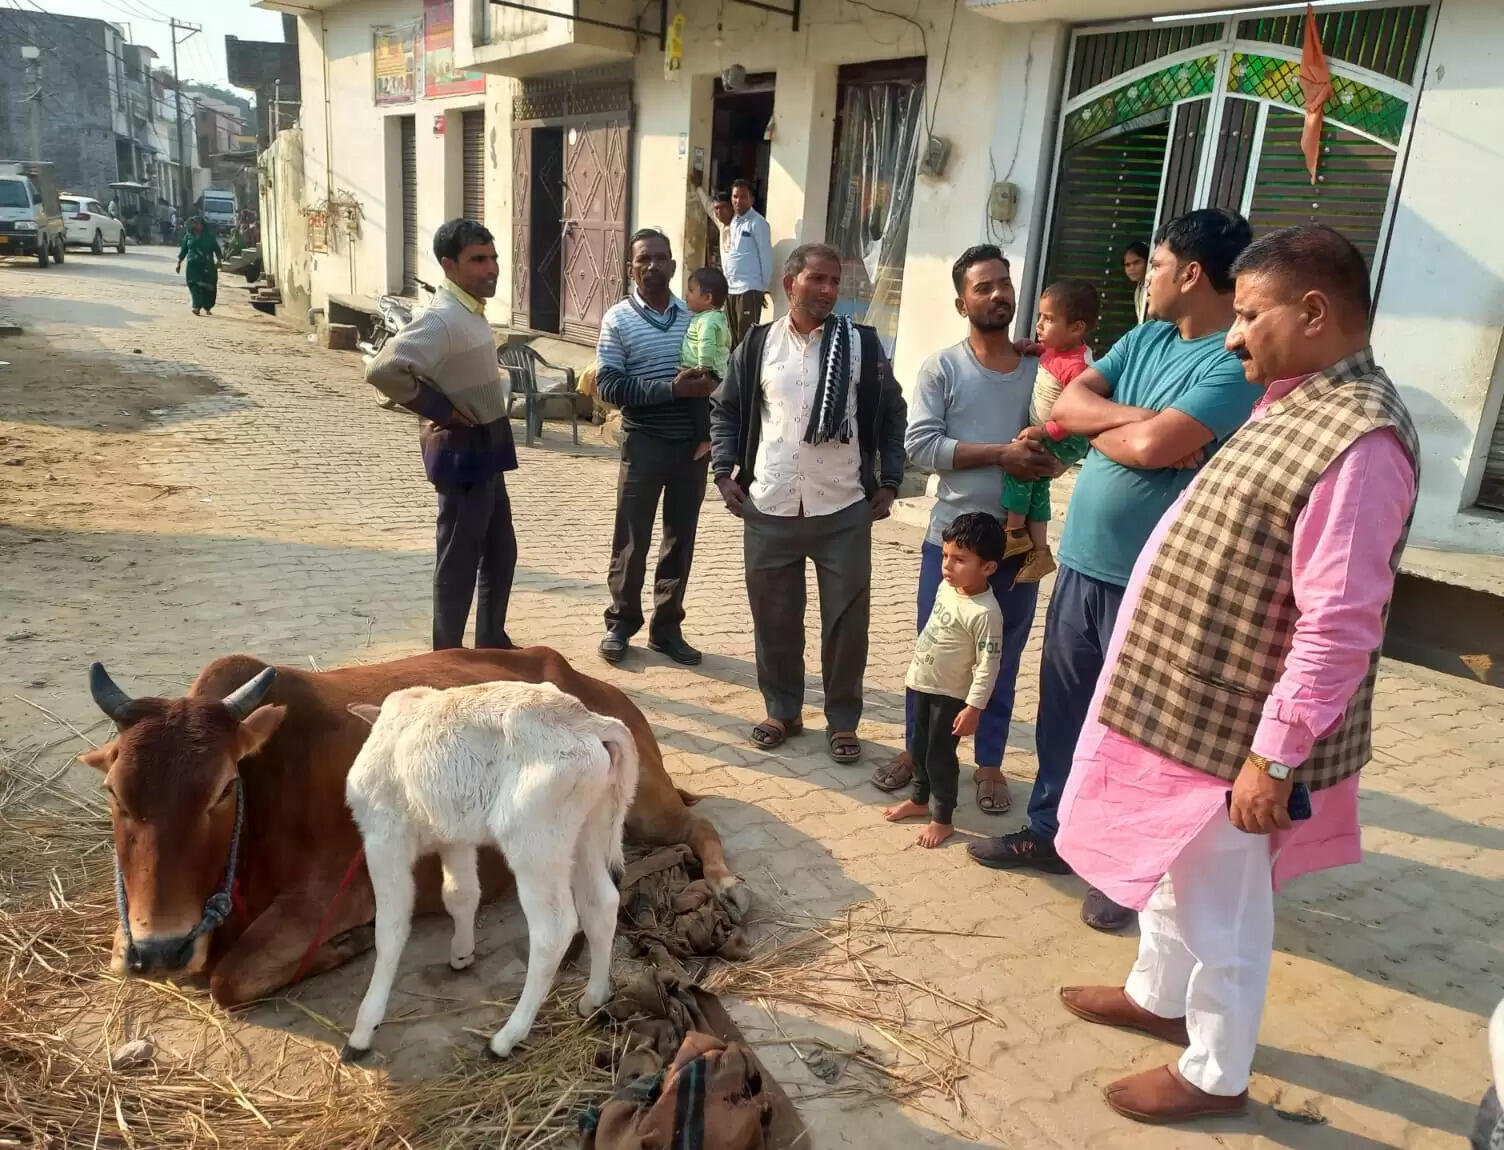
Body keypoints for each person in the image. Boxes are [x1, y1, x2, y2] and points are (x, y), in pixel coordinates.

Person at [1052, 225, 1419, 1124]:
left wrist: (1277, 756)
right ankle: (1158, 995)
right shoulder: (1294, 397)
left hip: (1239, 730)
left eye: (1249, 315)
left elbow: (1338, 624)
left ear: (1315, 311)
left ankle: (1216, 1071)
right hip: (1190, 702)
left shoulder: (1360, 441)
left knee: (1226, 903)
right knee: (1178, 871)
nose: (1232, 334)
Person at [967, 209, 1262, 934]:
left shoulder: (1233, 360)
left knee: (1137, 729)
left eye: (1156, 265)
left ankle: (1123, 870)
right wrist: (1138, 423)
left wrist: (1124, 429)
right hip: (1083, 566)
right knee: (1065, 711)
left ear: (1191, 273)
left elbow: (1161, 446)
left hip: (1158, 582)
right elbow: (1069, 401)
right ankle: (1053, 831)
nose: (1145, 277)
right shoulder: (1148, 337)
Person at [870, 245, 1058, 816]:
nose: (998, 294)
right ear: (961, 302)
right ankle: (916, 754)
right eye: (984, 287)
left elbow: (1062, 438)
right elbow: (920, 445)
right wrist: (1002, 454)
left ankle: (991, 763)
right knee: (934, 657)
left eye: (1004, 283)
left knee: (1000, 657)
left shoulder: (1040, 370)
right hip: (949, 547)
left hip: (1017, 548)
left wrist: (1044, 460)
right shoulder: (943, 368)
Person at [710, 242, 906, 764]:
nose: (828, 291)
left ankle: (842, 721)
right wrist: (723, 472)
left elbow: (892, 414)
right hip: (770, 505)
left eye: (835, 282)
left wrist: (890, 482)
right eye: (817, 279)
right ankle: (783, 710)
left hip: (843, 507)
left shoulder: (861, 345)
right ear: (789, 283)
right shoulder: (756, 346)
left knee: (846, 625)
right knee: (774, 618)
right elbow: (726, 410)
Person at [366, 218, 517, 653]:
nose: (491, 269)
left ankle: (491, 640)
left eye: (493, 258)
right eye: (478, 260)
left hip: (487, 448)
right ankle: (446, 655)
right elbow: (381, 369)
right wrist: (442, 411)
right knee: (458, 561)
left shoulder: (470, 309)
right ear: (449, 265)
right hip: (461, 454)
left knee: (500, 551)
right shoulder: (443, 317)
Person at [597, 229, 714, 667]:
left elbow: (720, 372)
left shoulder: (695, 317)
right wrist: (670, 389)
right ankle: (620, 624)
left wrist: (711, 388)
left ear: (673, 265)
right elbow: (609, 384)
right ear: (631, 267)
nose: (652, 266)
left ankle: (666, 629)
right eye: (643, 259)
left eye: (661, 258)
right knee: (631, 540)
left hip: (690, 448)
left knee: (679, 540)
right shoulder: (617, 320)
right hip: (643, 442)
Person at [882, 512, 1006, 849]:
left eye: (960, 559)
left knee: (940, 756)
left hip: (950, 695)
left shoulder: (986, 613)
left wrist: (974, 707)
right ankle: (919, 800)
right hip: (923, 683)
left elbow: (988, 665)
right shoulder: (945, 587)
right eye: (946, 556)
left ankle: (943, 818)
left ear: (989, 568)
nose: (947, 566)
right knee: (918, 749)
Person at [1000, 279, 1102, 585]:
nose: (1039, 324)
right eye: (1040, 317)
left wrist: (1044, 432)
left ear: (1076, 328)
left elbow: (1078, 413)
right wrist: (1034, 348)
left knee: (1022, 466)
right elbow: (1048, 353)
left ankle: (1015, 533)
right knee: (1037, 483)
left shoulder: (1080, 368)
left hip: (1064, 435)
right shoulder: (1058, 350)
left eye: (1049, 319)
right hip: (1053, 431)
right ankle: (1040, 550)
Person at [697, 178, 773, 348]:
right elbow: (710, 207)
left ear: (751, 199)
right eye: (735, 197)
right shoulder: (732, 222)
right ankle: (731, 373)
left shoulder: (758, 223)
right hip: (731, 289)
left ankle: (745, 374)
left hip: (749, 289)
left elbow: (766, 256)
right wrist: (698, 187)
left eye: (743, 197)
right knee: (730, 338)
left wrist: (762, 289)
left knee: (746, 338)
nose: (738, 201)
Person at [175, 218, 223, 317]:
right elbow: (184, 250)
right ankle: (196, 306)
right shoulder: (188, 236)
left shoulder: (209, 237)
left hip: (206, 265)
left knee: (208, 286)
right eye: (194, 223)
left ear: (202, 225)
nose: (195, 225)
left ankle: (207, 306)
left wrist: (219, 260)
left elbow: (217, 249)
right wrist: (179, 263)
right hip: (192, 265)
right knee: (193, 285)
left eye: (197, 223)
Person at [1124, 241, 1150, 325]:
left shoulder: (1153, 287)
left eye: (1136, 262)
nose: (1131, 268)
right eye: (1127, 265)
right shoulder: (1138, 289)